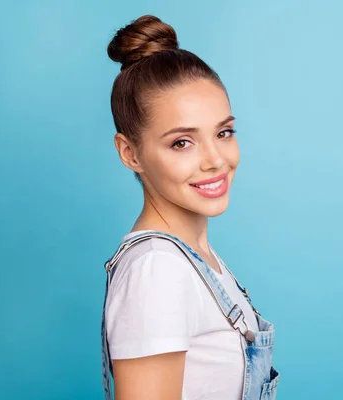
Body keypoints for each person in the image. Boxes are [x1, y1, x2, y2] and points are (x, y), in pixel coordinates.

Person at [100, 14, 279, 400]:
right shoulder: (157, 270)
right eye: (182, 142)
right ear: (129, 153)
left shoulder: (196, 259)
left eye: (223, 132)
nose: (215, 159)